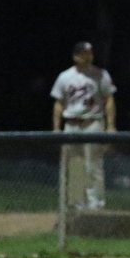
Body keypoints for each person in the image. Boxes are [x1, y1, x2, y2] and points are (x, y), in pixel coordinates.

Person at [51, 41, 117, 210]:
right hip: (71, 124)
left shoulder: (100, 75)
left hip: (92, 122)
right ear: (75, 56)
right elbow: (59, 103)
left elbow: (109, 99)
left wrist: (110, 125)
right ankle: (77, 203)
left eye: (90, 53)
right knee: (75, 165)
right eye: (84, 54)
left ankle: (96, 204)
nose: (88, 56)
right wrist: (57, 128)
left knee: (93, 165)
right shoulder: (65, 76)